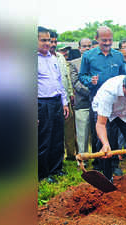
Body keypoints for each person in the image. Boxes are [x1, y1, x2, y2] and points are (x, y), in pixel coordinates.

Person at [79, 26, 126, 176]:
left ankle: (114, 164)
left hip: (116, 99)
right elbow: (82, 75)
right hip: (98, 98)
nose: (107, 43)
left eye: (110, 40)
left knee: (114, 130)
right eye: (104, 40)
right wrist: (89, 80)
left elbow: (124, 75)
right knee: (98, 129)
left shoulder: (118, 56)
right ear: (97, 39)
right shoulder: (88, 56)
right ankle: (99, 161)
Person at [38, 26, 69, 183]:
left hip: (56, 101)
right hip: (42, 103)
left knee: (57, 137)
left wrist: (64, 102)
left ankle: (56, 168)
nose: (47, 43)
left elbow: (59, 82)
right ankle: (43, 174)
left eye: (49, 40)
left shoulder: (52, 58)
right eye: (43, 40)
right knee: (44, 139)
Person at [49, 30, 77, 161]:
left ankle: (71, 155)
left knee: (69, 129)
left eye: (55, 41)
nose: (53, 44)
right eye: (50, 41)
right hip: (49, 100)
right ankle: (54, 158)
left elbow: (66, 77)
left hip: (65, 98)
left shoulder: (60, 57)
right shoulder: (40, 57)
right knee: (53, 131)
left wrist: (70, 93)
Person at [69, 38, 92, 166]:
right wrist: (91, 93)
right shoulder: (74, 63)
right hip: (82, 103)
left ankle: (99, 159)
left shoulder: (96, 62)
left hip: (97, 104)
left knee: (97, 134)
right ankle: (82, 161)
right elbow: (76, 83)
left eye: (89, 46)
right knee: (82, 134)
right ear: (79, 48)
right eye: (84, 46)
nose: (87, 48)